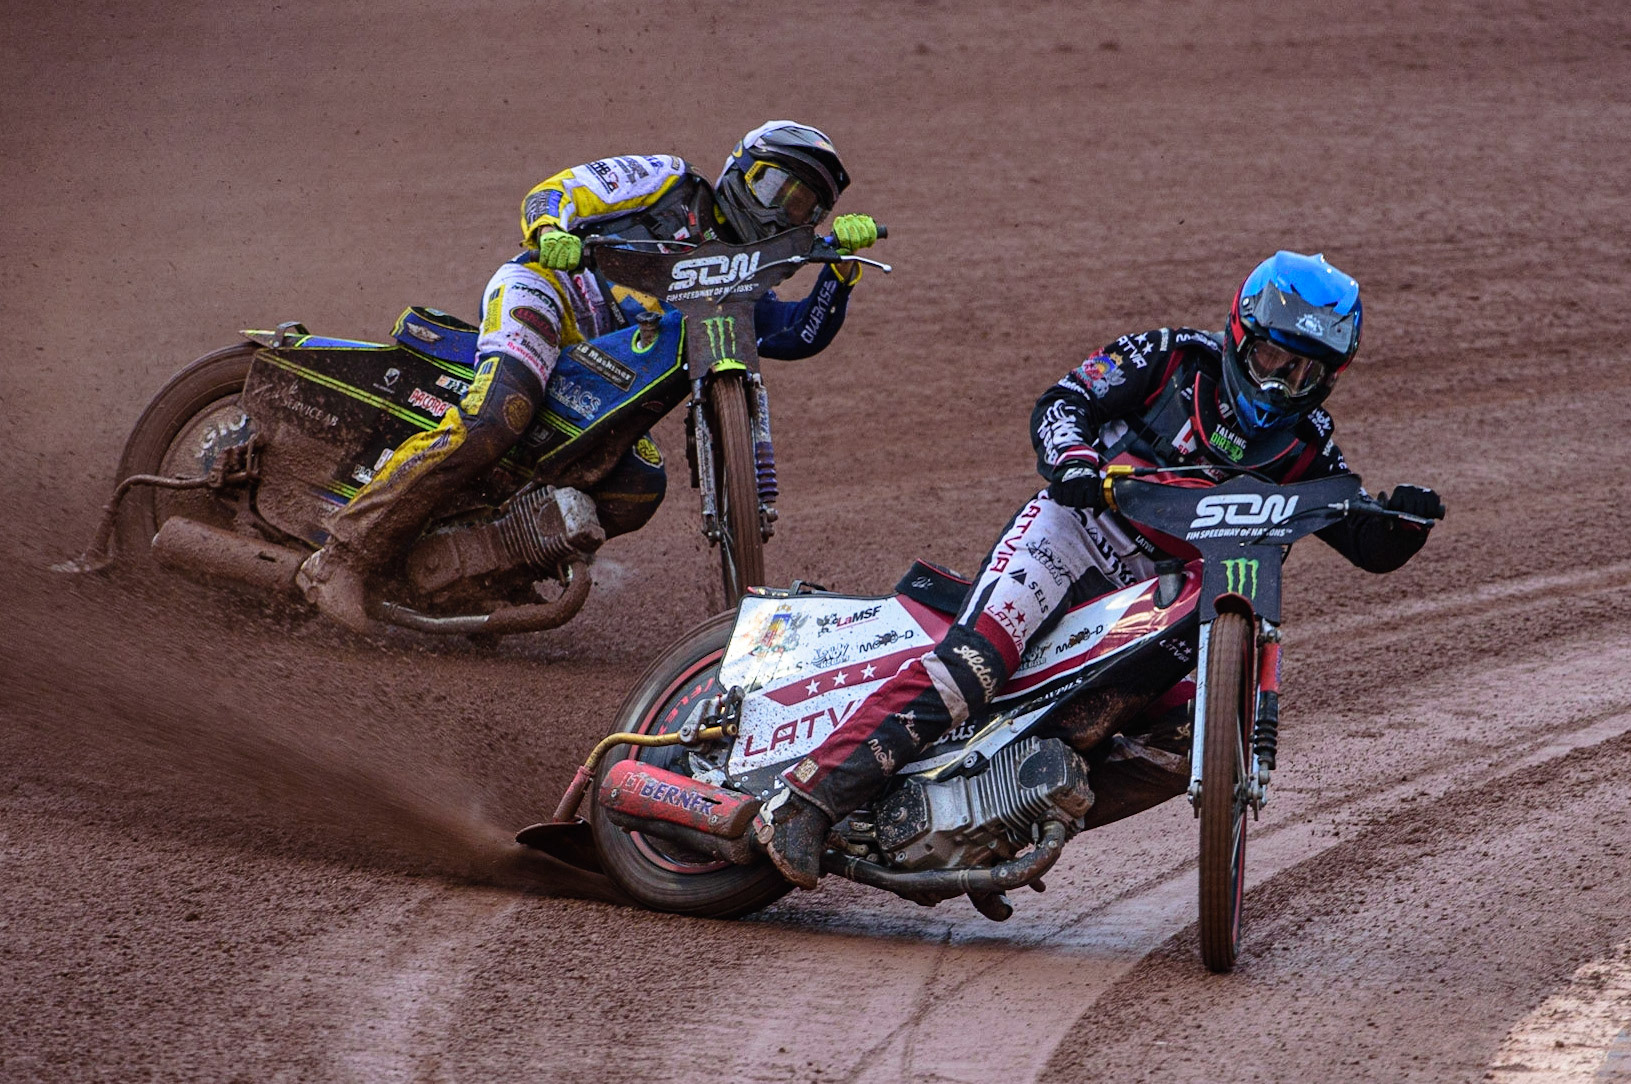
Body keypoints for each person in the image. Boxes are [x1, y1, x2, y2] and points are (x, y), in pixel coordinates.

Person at [755, 250, 1446, 888]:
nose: (1280, 383)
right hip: (1073, 537)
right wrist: (1073, 458)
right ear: (1240, 334)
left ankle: (997, 828)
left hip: (1160, 601)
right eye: (1271, 358)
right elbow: (1064, 401)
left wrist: (1401, 522)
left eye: (1305, 374)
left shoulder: (1307, 442)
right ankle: (806, 800)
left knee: (1191, 739)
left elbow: (1358, 536)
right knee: (975, 663)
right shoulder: (1171, 356)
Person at [297, 121, 881, 630]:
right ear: (740, 169)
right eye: (776, 186)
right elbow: (559, 191)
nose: (784, 210)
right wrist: (551, 232)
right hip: (546, 293)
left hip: (602, 373)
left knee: (637, 486)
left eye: (805, 207)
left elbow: (796, 335)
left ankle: (488, 570)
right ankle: (342, 557)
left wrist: (841, 273)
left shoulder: (746, 280)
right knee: (501, 413)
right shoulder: (668, 180)